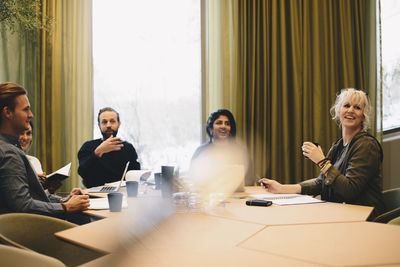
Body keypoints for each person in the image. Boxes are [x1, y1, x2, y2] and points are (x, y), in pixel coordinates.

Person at [259, 88, 384, 219]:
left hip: (363, 219)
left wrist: (322, 161)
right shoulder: (338, 145)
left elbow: (349, 190)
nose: (351, 110)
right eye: (346, 105)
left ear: (363, 115)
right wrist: (282, 188)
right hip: (342, 214)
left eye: (357, 107)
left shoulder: (366, 145)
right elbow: (322, 182)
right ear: (338, 111)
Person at [0, 82, 90, 224]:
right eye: (26, 110)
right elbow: (23, 206)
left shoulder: (10, 148)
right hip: (27, 232)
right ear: (8, 112)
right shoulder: (9, 153)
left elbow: (32, 198)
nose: (31, 115)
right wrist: (65, 207)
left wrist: (63, 200)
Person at [191, 109, 254, 191]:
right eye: (219, 123)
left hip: (238, 197)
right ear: (211, 129)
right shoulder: (201, 151)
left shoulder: (240, 151)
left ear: (230, 129)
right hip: (208, 198)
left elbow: (250, 180)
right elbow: (193, 179)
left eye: (227, 124)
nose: (223, 126)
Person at [78, 107, 141, 188]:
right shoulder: (88, 147)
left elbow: (134, 174)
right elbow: (82, 172)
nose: (108, 125)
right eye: (104, 122)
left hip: (121, 192)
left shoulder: (128, 148)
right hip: (95, 194)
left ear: (119, 124)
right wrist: (98, 152)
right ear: (99, 125)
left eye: (112, 121)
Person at [19, 121, 62, 194]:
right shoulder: (6, 160)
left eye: (28, 133)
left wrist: (50, 190)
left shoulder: (34, 161)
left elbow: (41, 198)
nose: (25, 138)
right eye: (21, 133)